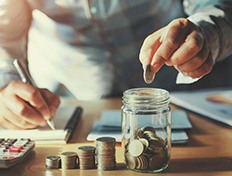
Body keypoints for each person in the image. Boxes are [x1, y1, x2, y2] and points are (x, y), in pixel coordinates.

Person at [0, 0, 231, 129]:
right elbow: (5, 36)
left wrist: (205, 34)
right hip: (66, 108)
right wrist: (4, 87)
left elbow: (218, 6)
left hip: (183, 98)